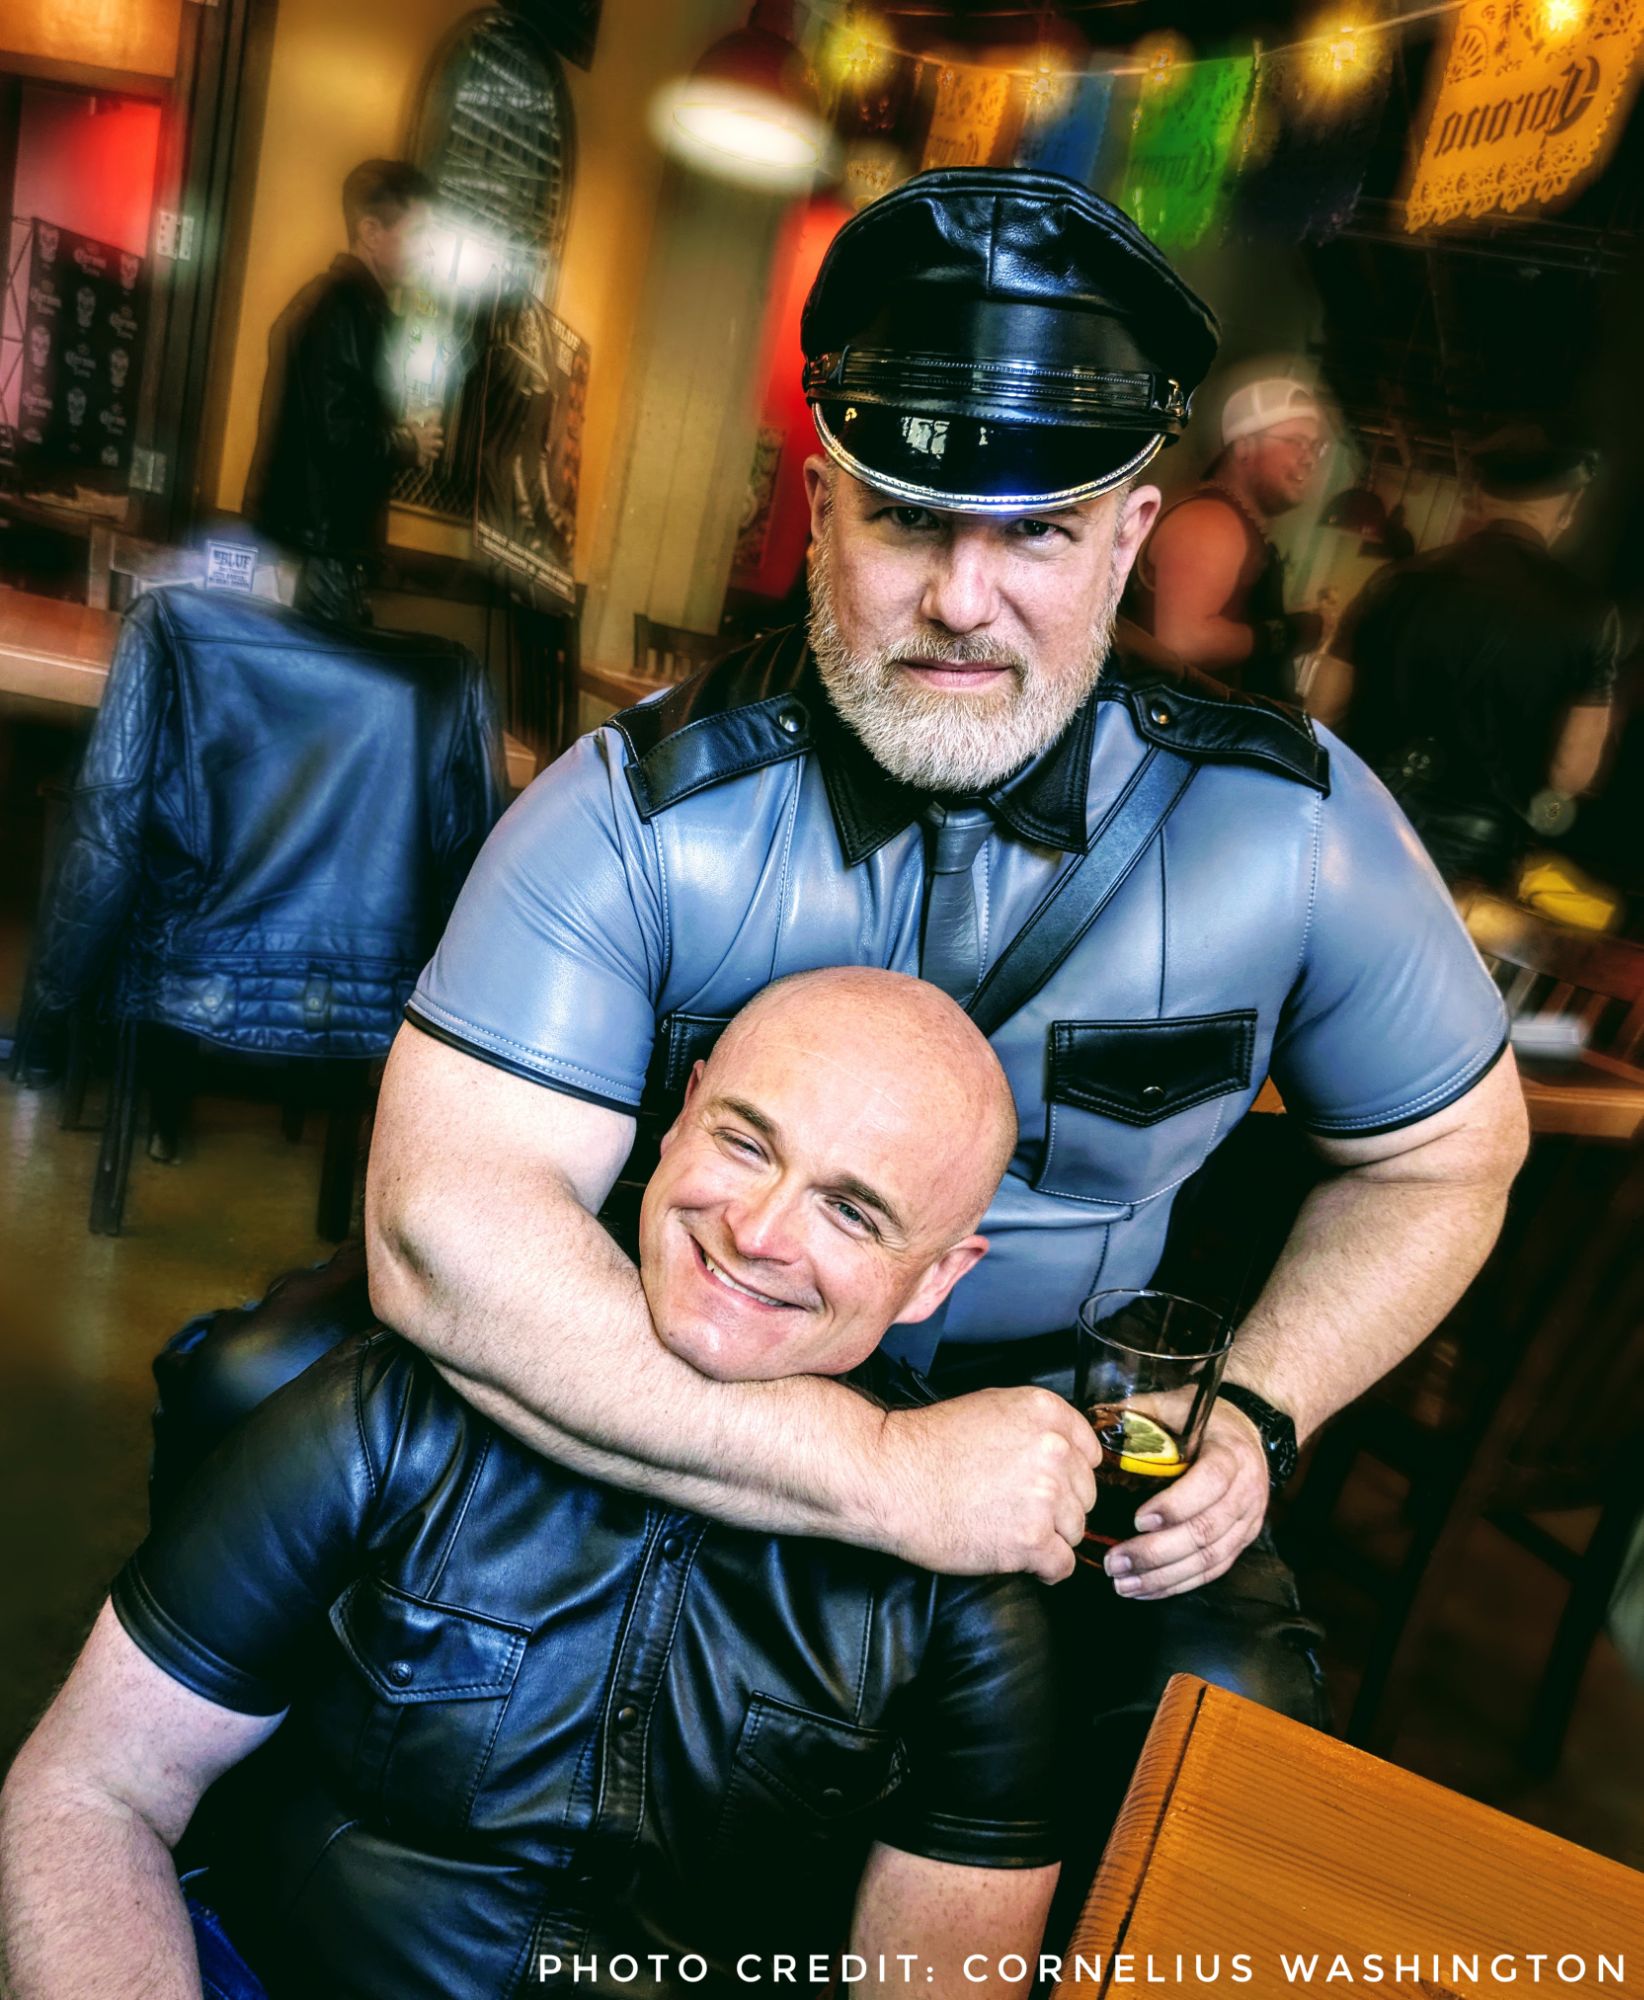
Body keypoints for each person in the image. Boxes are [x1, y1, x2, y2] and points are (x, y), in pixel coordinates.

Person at [356, 170, 1519, 1851]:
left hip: (1075, 1457)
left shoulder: (1293, 827)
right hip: (681, 1388)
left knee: (1224, 1741)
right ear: (821, 507)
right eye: (907, 519)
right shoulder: (637, 811)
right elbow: (440, 1232)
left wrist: (1261, 1411)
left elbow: (1446, 1158)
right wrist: (878, 1469)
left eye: (1037, 531)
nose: (964, 600)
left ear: (1129, 536)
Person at [0, 971, 1063, 2000]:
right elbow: (91, 1789)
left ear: (937, 1276)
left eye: (851, 1212)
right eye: (746, 1143)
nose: (758, 1231)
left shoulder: (967, 1590)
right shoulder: (391, 1411)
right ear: (681, 1116)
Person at [1332, 425, 1619, 888]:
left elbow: (1323, 705)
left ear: (1479, 496)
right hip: (1472, 858)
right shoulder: (1590, 616)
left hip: (1360, 815)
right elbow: (1570, 772)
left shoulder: (1396, 580)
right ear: (1569, 508)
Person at [244, 159, 444, 626]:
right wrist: (408, 443)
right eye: (420, 234)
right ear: (371, 232)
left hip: (315, 546)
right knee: (320, 669)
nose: (429, 249)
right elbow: (337, 436)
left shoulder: (343, 304)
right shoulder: (341, 308)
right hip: (321, 551)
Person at [1125, 375, 1334, 698]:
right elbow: (1185, 641)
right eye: (1296, 441)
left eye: (1315, 447)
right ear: (1245, 446)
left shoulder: (1234, 520)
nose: (1309, 459)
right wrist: (1291, 632)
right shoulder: (1212, 521)